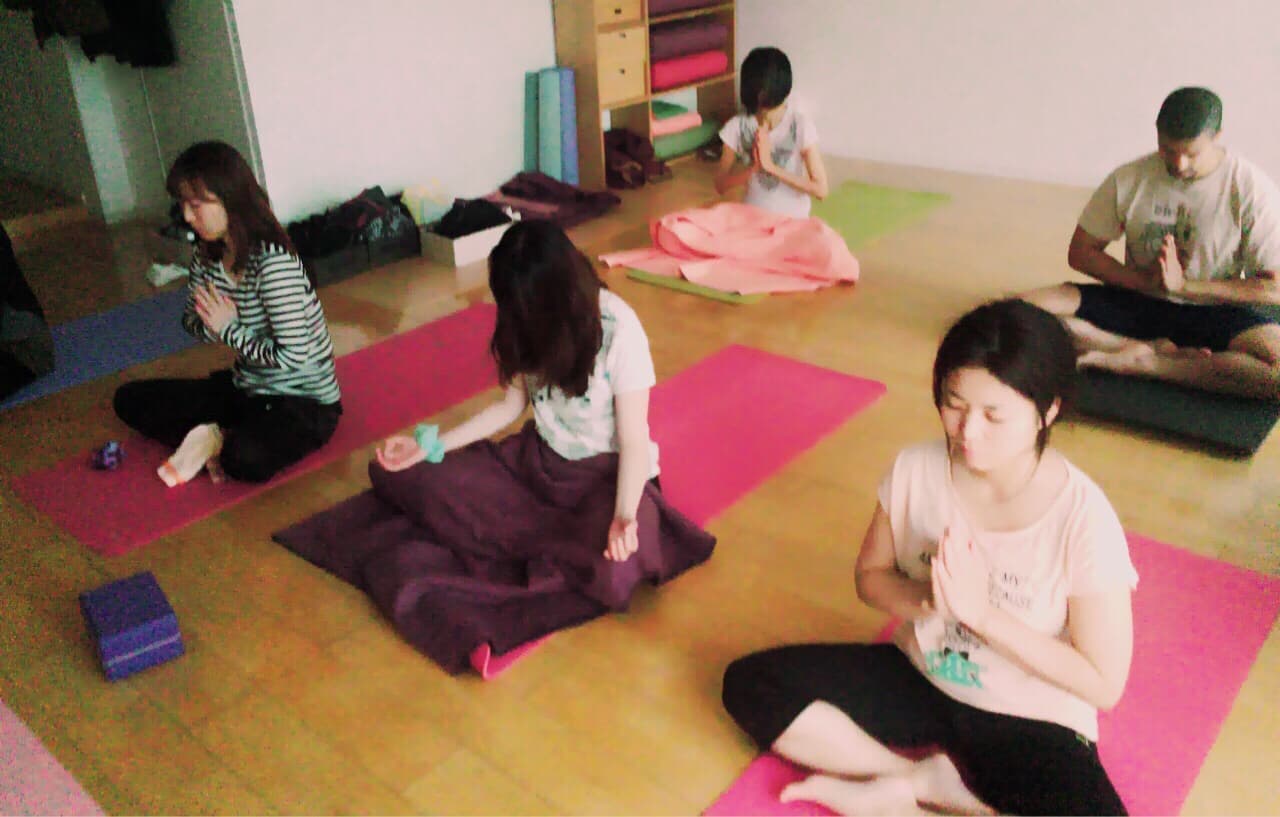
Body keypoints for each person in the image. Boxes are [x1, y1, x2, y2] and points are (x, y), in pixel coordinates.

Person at [722, 299, 1137, 816]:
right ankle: (917, 780)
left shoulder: (1083, 517)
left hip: (1029, 714)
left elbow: (1104, 683)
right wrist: (927, 599)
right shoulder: (916, 469)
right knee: (752, 685)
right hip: (922, 675)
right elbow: (870, 577)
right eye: (954, 405)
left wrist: (981, 615)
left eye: (993, 415)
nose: (968, 431)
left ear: (1047, 411)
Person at [376, 218, 665, 561]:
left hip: (605, 477)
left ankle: (532, 539)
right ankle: (533, 540)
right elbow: (509, 406)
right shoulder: (522, 322)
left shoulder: (619, 329)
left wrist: (624, 517)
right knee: (408, 476)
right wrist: (430, 447)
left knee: (610, 561)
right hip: (541, 466)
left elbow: (633, 442)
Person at [1021, 87, 1280, 401]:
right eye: (1167, 150)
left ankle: (1152, 365)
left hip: (1215, 310)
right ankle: (1127, 347)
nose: (1179, 163)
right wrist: (1144, 282)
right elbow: (1081, 252)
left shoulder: (1251, 189)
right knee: (1015, 312)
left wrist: (1185, 287)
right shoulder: (1130, 178)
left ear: (1217, 137)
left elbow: (1274, 289)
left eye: (1191, 153)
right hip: (1138, 299)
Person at [113, 141, 341, 484]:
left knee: (244, 459)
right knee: (129, 399)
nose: (187, 216)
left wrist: (229, 329)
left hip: (302, 402)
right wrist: (212, 324)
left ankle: (223, 441)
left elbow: (294, 356)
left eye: (196, 205)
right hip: (246, 388)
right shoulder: (205, 256)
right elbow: (192, 322)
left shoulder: (274, 265)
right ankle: (220, 436)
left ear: (230, 200)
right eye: (182, 204)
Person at [714, 47, 829, 219]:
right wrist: (753, 170)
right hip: (754, 221)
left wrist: (771, 167)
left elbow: (821, 190)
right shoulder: (737, 126)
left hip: (794, 222)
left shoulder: (800, 125)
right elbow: (720, 184)